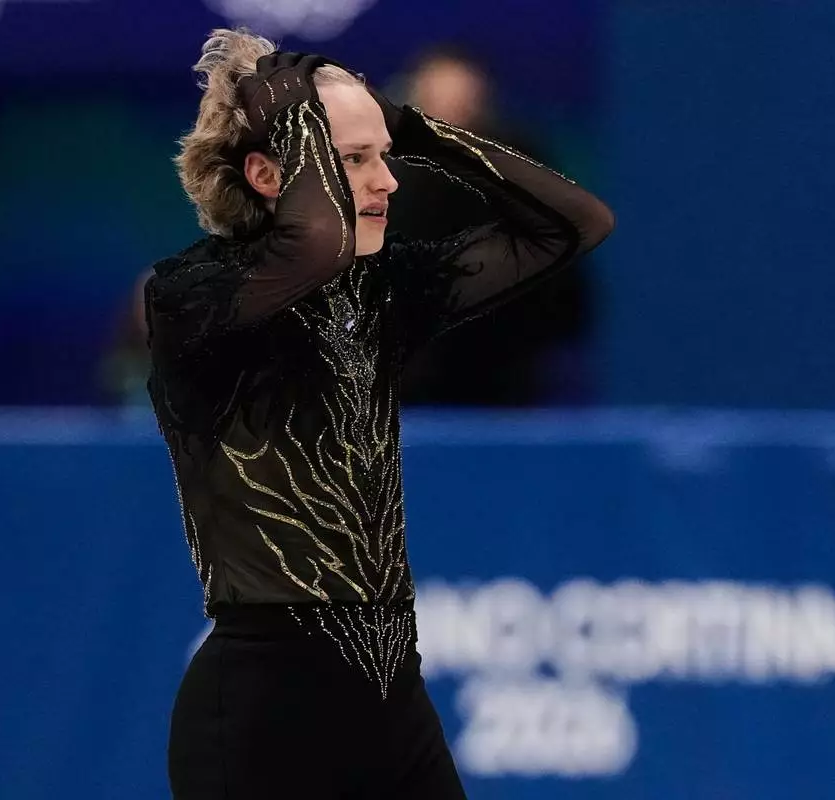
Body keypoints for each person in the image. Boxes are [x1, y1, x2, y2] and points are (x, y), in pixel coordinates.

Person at [143, 27, 614, 800]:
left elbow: (576, 223)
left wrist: (416, 128)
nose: (388, 180)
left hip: (391, 702)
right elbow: (315, 241)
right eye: (356, 161)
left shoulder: (381, 294)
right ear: (266, 173)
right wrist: (310, 122)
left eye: (381, 156)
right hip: (262, 718)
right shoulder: (190, 299)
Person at [385, 43, 597, 406]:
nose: (450, 120)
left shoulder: (521, 172)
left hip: (505, 375)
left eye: (463, 104)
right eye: (438, 103)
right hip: (403, 380)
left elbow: (561, 278)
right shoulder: (381, 176)